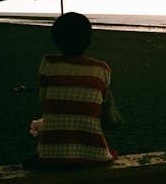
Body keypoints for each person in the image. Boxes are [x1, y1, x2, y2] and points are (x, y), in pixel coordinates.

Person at [23, 12, 119, 168]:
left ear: (56, 40)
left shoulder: (47, 64)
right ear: (88, 41)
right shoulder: (102, 69)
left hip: (50, 154)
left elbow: (44, 99)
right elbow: (101, 105)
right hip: (95, 154)